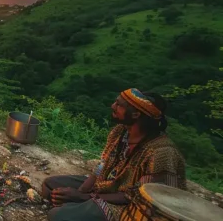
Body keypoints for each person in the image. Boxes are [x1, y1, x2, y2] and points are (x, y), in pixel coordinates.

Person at [41, 88, 186, 220]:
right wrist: (81, 191)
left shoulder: (161, 153)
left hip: (132, 206)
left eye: (118, 104)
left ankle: (75, 210)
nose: (113, 106)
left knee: (57, 216)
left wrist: (84, 197)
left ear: (136, 114)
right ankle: (76, 209)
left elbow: (141, 198)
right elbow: (102, 165)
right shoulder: (120, 131)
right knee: (50, 185)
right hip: (108, 186)